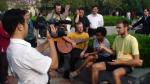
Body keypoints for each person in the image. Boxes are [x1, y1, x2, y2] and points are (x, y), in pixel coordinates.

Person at [2, 9, 58, 84]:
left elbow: (34, 51)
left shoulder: (11, 47)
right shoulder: (25, 52)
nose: (28, 24)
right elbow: (54, 65)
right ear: (20, 27)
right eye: (26, 22)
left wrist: (50, 39)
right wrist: (51, 41)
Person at [92, 20, 142, 84]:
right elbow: (114, 53)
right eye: (117, 28)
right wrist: (105, 48)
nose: (117, 30)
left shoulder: (132, 40)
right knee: (95, 66)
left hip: (127, 64)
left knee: (116, 73)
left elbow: (136, 61)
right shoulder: (117, 38)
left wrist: (120, 62)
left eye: (119, 28)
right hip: (116, 61)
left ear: (126, 27)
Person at [0, 13, 10, 84]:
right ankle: (3, 80)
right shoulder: (1, 28)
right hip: (3, 50)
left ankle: (4, 78)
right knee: (3, 65)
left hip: (5, 49)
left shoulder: (4, 27)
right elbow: (6, 35)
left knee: (4, 65)